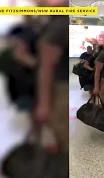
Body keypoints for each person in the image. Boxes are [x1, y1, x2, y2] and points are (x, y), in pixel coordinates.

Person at [34, 12, 69, 152]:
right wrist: (44, 104)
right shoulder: (58, 26)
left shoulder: (59, 25)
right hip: (60, 91)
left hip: (61, 91)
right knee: (62, 139)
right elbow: (47, 66)